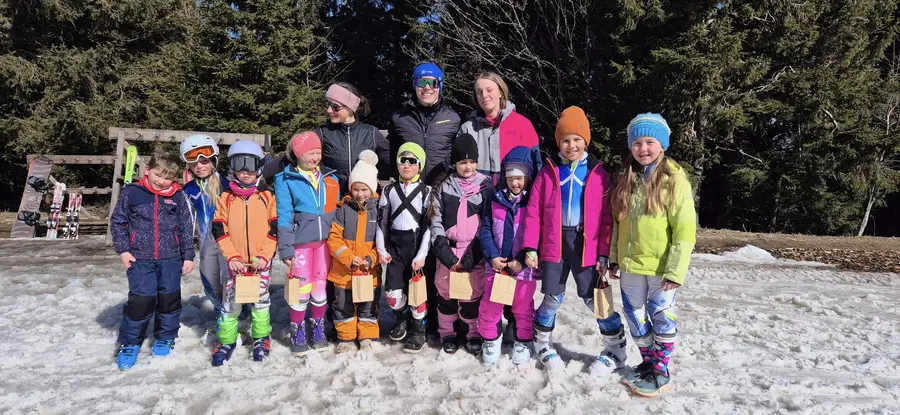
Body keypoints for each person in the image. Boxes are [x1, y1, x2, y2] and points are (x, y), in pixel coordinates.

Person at [522, 106, 627, 373]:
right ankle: (542, 344)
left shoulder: (597, 173)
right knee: (552, 298)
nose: (571, 145)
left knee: (594, 299)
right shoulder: (548, 172)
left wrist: (604, 253)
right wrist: (530, 246)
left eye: (577, 140)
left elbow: (606, 219)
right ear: (559, 142)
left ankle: (616, 349)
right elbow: (533, 213)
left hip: (585, 244)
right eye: (566, 140)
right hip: (554, 242)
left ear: (586, 142)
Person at [610, 113, 696, 397]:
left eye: (649, 142)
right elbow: (617, 223)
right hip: (631, 264)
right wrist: (613, 258)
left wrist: (675, 270)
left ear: (662, 145)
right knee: (634, 315)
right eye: (636, 143)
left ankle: (661, 369)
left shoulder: (674, 180)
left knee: (660, 316)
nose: (643, 149)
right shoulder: (627, 178)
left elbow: (684, 231)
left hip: (661, 268)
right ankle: (648, 362)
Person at [457, 71, 542, 341]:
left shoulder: (521, 124)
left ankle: (516, 321)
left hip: (514, 206)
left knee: (512, 261)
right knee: (485, 263)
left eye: (490, 90)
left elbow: (536, 169)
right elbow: (459, 166)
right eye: (480, 91)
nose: (485, 96)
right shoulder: (469, 127)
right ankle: (482, 325)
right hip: (477, 201)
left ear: (501, 91)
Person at [110, 150, 195, 370]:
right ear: (148, 170)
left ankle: (165, 336)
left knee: (169, 299)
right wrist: (123, 250)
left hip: (171, 258)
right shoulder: (132, 193)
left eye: (167, 178)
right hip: (140, 257)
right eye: (158, 175)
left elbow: (186, 227)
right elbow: (119, 222)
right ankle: (130, 342)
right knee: (141, 300)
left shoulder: (177, 196)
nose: (162, 181)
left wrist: (188, 256)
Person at [209, 140, 277, 365]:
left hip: (259, 263)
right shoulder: (226, 197)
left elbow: (274, 230)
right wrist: (232, 257)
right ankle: (227, 339)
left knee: (260, 302)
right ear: (231, 167)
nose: (245, 171)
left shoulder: (266, 196)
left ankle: (261, 336)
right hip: (236, 264)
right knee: (231, 303)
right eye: (240, 164)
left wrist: (265, 256)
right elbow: (219, 230)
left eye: (251, 164)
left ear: (259, 166)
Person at [274, 131, 341, 355]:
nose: (315, 157)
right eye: (310, 153)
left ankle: (318, 328)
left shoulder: (331, 178)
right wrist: (286, 248)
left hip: (325, 243)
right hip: (301, 243)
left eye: (318, 152)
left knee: (320, 286)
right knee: (302, 288)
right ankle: (298, 330)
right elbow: (284, 215)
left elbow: (337, 212)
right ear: (298, 154)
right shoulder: (285, 179)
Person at [430, 134, 494, 355]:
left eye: (471, 162)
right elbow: (435, 219)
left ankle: (472, 333)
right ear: (455, 163)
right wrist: (445, 254)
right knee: (446, 296)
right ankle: (447, 333)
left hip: (472, 251)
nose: (467, 167)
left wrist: (470, 257)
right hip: (448, 251)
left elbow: (488, 223)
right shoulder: (443, 186)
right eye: (462, 162)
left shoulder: (485, 187)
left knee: (470, 297)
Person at [261, 83, 390, 192]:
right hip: (332, 201)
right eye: (329, 105)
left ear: (350, 108)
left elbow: (392, 161)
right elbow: (291, 157)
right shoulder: (322, 133)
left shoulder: (371, 133)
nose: (329, 110)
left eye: (335, 107)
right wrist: (258, 172)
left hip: (364, 202)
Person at [477, 146, 539, 366]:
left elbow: (537, 234)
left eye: (520, 178)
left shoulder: (532, 202)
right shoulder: (494, 199)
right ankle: (491, 339)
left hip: (523, 269)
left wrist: (521, 261)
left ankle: (523, 340)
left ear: (528, 177)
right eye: (511, 177)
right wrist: (492, 255)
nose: (515, 183)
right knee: (491, 306)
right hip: (497, 266)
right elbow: (484, 230)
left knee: (523, 307)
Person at [376, 142, 433, 353]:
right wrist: (382, 249)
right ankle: (402, 318)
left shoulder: (426, 191)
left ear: (420, 166)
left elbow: (429, 227)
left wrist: (422, 254)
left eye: (412, 161)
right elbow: (382, 222)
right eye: (403, 160)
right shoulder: (389, 190)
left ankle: (418, 329)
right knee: (392, 294)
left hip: (416, 247)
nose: (407, 165)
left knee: (418, 293)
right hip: (396, 249)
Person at [327, 150, 382, 353]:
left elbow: (382, 241)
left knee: (368, 303)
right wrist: (348, 258)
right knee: (343, 304)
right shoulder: (343, 209)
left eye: (364, 189)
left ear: (372, 189)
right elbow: (334, 238)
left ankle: (367, 335)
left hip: (368, 270)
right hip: (344, 271)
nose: (360, 194)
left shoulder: (378, 211)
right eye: (356, 189)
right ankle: (346, 337)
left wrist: (371, 259)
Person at [179, 135, 230, 328]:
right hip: (206, 244)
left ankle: (238, 316)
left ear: (214, 160)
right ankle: (221, 314)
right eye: (193, 163)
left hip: (229, 243)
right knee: (210, 281)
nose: (199, 166)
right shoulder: (189, 190)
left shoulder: (227, 184)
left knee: (231, 281)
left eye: (204, 160)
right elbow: (186, 223)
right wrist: (187, 253)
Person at [387, 62, 460, 186]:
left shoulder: (453, 119)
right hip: (409, 189)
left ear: (440, 86)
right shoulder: (400, 118)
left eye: (433, 83)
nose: (427, 87)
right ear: (415, 84)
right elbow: (391, 152)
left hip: (440, 188)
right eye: (422, 82)